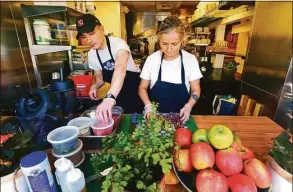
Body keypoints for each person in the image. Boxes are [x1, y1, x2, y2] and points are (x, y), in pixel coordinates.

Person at [76, 14, 143, 122]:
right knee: (121, 121)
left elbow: (120, 69)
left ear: (102, 29)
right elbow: (100, 78)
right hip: (117, 93)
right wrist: (94, 87)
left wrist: (109, 98)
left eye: (92, 34)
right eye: (84, 36)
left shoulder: (118, 44)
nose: (89, 40)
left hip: (135, 90)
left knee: (136, 121)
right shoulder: (92, 54)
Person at [138, 16, 203, 123]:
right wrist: (148, 105)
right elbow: (142, 88)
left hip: (181, 117)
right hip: (154, 117)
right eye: (164, 44)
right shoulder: (152, 60)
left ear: (182, 40)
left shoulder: (190, 60)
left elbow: (196, 90)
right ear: (159, 40)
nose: (169, 49)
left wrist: (188, 107)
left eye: (174, 44)